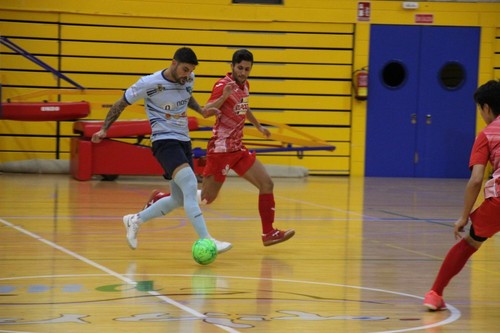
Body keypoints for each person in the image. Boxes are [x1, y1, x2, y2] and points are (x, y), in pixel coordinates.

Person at [145, 49, 295, 247]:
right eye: (239, 68)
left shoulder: (245, 85)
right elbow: (206, 111)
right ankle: (160, 198)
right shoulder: (222, 85)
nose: (243, 72)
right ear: (231, 66)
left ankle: (269, 233)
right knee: (206, 199)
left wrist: (258, 126)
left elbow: (244, 106)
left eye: (247, 69)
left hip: (238, 149)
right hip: (220, 150)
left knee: (267, 184)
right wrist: (224, 96)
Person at [91, 47, 232, 254]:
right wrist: (104, 129)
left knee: (178, 199)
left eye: (190, 71)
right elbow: (120, 103)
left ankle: (135, 220)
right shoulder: (148, 83)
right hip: (164, 141)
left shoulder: (188, 79)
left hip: (184, 141)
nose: (187, 75)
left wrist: (201, 110)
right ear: (173, 63)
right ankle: (208, 240)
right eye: (184, 70)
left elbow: (186, 95)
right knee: (191, 185)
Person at [423, 79, 500, 311]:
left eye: (480, 109)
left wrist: (463, 217)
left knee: (469, 243)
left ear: (486, 108)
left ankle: (435, 294)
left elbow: (476, 179)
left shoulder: (486, 135)